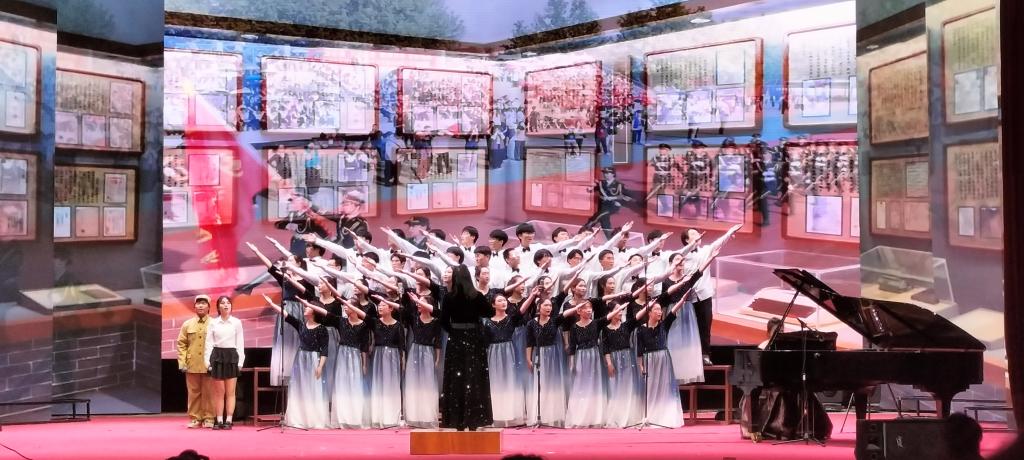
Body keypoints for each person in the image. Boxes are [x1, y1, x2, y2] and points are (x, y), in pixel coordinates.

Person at [439, 265, 494, 431]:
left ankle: (457, 420)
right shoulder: (477, 296)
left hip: (456, 341)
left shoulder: (449, 297)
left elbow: (443, 321)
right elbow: (490, 313)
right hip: (474, 340)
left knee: (457, 379)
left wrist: (455, 331)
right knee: (474, 378)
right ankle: (474, 419)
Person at [263, 295, 330, 429]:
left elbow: (324, 350)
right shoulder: (301, 324)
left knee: (312, 388)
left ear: (315, 311)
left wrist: (320, 366)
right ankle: (298, 418)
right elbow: (286, 315)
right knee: (299, 387)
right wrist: (272, 304)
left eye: (308, 307)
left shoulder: (322, 329)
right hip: (300, 359)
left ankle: (313, 419)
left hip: (314, 359)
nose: (305, 308)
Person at [483, 293, 529, 427]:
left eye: (504, 300)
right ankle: (496, 415)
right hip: (493, 353)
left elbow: (521, 311)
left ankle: (510, 414)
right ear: (493, 304)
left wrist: (531, 295)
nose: (504, 302)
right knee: (495, 383)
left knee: (510, 381)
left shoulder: (511, 319)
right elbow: (484, 342)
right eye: (500, 300)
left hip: (508, 352)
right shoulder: (486, 322)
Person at [525, 298, 571, 427]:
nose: (548, 308)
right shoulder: (531, 324)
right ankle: (540, 415)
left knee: (553, 384)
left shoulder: (554, 320)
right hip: (539, 354)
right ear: (539, 307)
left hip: (553, 355)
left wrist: (578, 307)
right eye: (545, 305)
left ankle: (553, 415)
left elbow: (565, 314)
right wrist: (528, 359)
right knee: (541, 384)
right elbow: (529, 342)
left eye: (550, 305)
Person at [563, 300, 610, 428]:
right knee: (581, 386)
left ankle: (595, 417)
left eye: (590, 308)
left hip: (594, 356)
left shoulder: (596, 323)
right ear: (579, 311)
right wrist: (572, 363)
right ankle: (580, 416)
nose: (589, 310)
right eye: (585, 308)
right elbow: (572, 346)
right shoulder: (574, 327)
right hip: (581, 357)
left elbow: (608, 317)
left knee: (594, 385)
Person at [204, 296, 246, 430]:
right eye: (222, 303)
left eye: (228, 303)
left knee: (230, 392)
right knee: (219, 392)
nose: (226, 305)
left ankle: (229, 420)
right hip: (217, 356)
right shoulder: (213, 323)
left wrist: (240, 362)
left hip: (231, 356)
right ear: (218, 307)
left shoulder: (236, 322)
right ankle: (219, 420)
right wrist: (207, 362)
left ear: (231, 306)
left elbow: (240, 343)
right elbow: (208, 343)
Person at [403, 292, 443, 429]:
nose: (418, 304)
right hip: (415, 351)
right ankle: (414, 416)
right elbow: (401, 309)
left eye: (421, 302)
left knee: (427, 384)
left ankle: (427, 416)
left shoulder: (436, 321)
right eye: (417, 302)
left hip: (428, 352)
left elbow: (438, 340)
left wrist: (437, 358)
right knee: (414, 383)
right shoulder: (414, 318)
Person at [368, 294, 406, 428]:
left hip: (393, 356)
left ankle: (391, 417)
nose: (380, 307)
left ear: (391, 308)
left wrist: (403, 361)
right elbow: (362, 315)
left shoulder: (398, 325)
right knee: (378, 384)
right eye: (379, 305)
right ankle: (378, 417)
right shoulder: (375, 322)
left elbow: (402, 345)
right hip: (378, 355)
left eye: (383, 305)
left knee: (392, 385)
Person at [176, 295, 214, 429]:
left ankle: (209, 418)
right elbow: (181, 344)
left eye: (203, 303)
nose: (200, 306)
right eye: (198, 303)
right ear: (194, 307)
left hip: (209, 364)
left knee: (210, 393)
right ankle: (195, 418)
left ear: (209, 307)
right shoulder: (187, 324)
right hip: (192, 364)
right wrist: (182, 362)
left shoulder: (214, 323)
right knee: (194, 393)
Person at [582, 167, 631, 240]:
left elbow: (622, 196)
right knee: (605, 223)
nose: (605, 175)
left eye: (608, 173)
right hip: (602, 205)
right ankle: (611, 239)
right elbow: (591, 190)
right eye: (604, 173)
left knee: (598, 216)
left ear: (613, 174)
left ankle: (583, 231)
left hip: (612, 205)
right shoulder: (601, 183)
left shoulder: (619, 184)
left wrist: (612, 198)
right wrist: (590, 188)